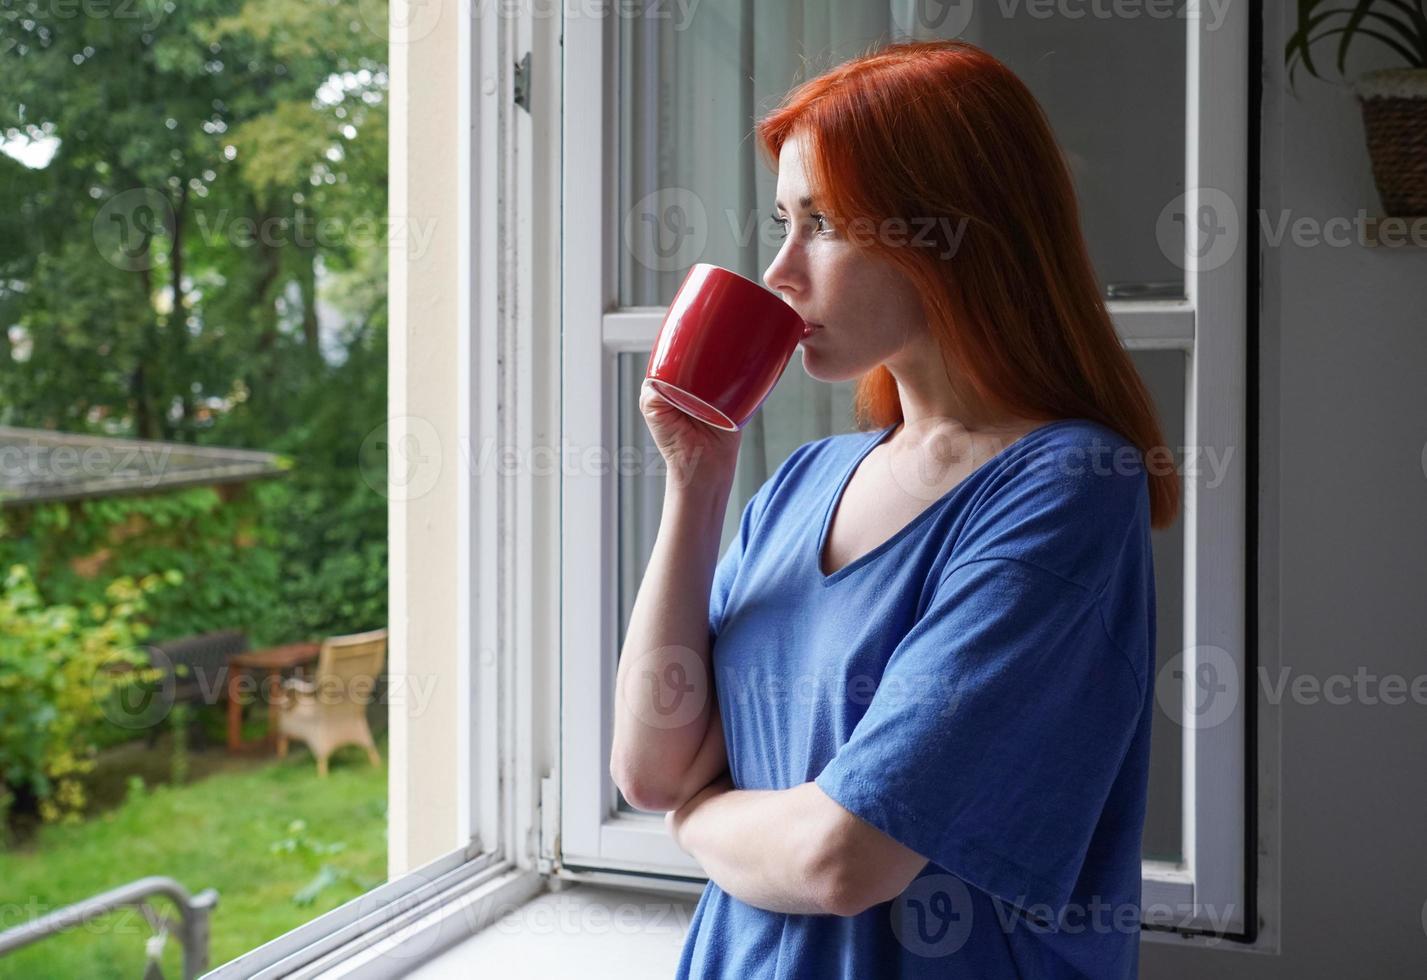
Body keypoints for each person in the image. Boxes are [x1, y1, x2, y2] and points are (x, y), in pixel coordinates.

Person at [611, 38, 1179, 979]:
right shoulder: (799, 483)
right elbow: (650, 767)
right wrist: (699, 478)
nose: (781, 274)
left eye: (826, 225)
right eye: (783, 222)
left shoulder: (1067, 485)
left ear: (955, 235)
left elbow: (845, 859)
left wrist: (700, 819)